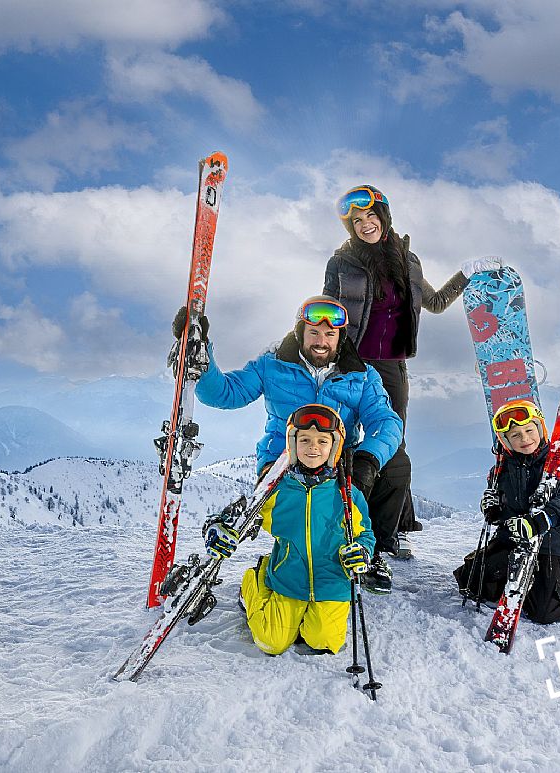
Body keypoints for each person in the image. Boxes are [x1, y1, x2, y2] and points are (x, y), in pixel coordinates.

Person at [323, 184, 500, 570]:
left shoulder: (409, 260)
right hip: (351, 363)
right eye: (357, 221)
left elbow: (434, 303)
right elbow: (328, 312)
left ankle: (393, 529)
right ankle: (342, 524)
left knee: (392, 444)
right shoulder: (341, 263)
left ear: (383, 216)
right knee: (343, 441)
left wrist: (465, 275)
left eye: (370, 216)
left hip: (392, 366)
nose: (365, 224)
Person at [176, 295, 402, 592]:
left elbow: (386, 422)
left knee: (397, 469)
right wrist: (202, 357)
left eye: (330, 334)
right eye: (314, 333)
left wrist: (368, 458)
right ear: (300, 332)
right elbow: (227, 393)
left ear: (340, 338)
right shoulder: (273, 364)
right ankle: (286, 564)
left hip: (337, 459)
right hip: (282, 460)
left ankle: (369, 551)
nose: (321, 341)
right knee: (300, 512)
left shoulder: (361, 376)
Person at [203, 404, 375, 655]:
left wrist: (362, 551)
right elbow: (241, 519)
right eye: (304, 440)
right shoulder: (277, 490)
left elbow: (365, 534)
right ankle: (255, 581)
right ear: (292, 444)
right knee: (271, 643)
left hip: (332, 581)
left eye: (322, 441)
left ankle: (309, 617)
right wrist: (218, 526)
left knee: (324, 642)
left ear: (334, 447)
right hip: (288, 578)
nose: (313, 447)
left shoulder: (347, 494)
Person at [453, 399, 560, 624]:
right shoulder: (501, 469)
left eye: (529, 431)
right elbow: (500, 507)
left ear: (540, 429)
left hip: (551, 545)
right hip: (511, 540)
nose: (524, 439)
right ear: (505, 440)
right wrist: (493, 509)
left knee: (547, 612)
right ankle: (518, 577)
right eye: (515, 435)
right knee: (470, 583)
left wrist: (541, 520)